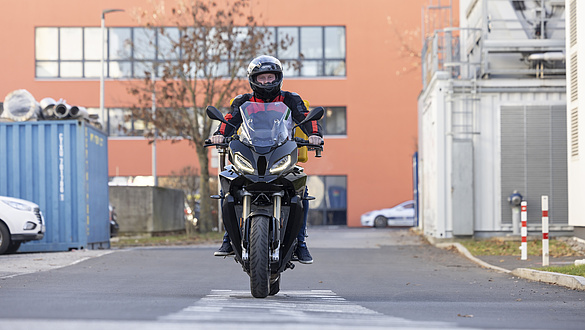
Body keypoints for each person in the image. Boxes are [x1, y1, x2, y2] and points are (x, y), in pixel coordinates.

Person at [211, 55, 323, 264]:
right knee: (227, 184)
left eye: (270, 77)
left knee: (301, 190)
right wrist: (219, 134)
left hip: (281, 153)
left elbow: (307, 118)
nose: (266, 82)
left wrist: (315, 135)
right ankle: (228, 237)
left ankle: (300, 242)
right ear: (253, 79)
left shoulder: (291, 99)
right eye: (262, 78)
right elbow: (229, 120)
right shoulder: (242, 101)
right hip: (250, 153)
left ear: (278, 77)